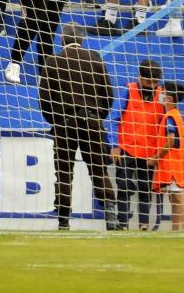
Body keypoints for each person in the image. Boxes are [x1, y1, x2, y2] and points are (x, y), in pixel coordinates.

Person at [37, 24, 121, 231]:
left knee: (64, 172)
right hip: (92, 122)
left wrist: (56, 121)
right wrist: (96, 117)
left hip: (64, 124)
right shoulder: (95, 59)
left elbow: (45, 100)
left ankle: (63, 220)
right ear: (82, 40)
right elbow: (108, 94)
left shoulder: (53, 62)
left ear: (61, 41)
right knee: (99, 169)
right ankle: (111, 215)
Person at [109, 59, 166, 230]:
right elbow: (113, 119)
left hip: (149, 153)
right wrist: (114, 145)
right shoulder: (128, 90)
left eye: (156, 82)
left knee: (145, 189)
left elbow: (166, 122)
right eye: (149, 82)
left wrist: (159, 153)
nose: (153, 85)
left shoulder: (162, 94)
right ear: (140, 78)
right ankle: (123, 224)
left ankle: (143, 224)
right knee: (123, 186)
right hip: (126, 149)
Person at [152, 81, 184, 231]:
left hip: (174, 165)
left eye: (162, 92)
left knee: (179, 196)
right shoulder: (173, 115)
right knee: (174, 197)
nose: (159, 94)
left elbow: (170, 140)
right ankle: (177, 230)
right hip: (174, 163)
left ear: (169, 98)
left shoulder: (171, 116)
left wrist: (156, 157)